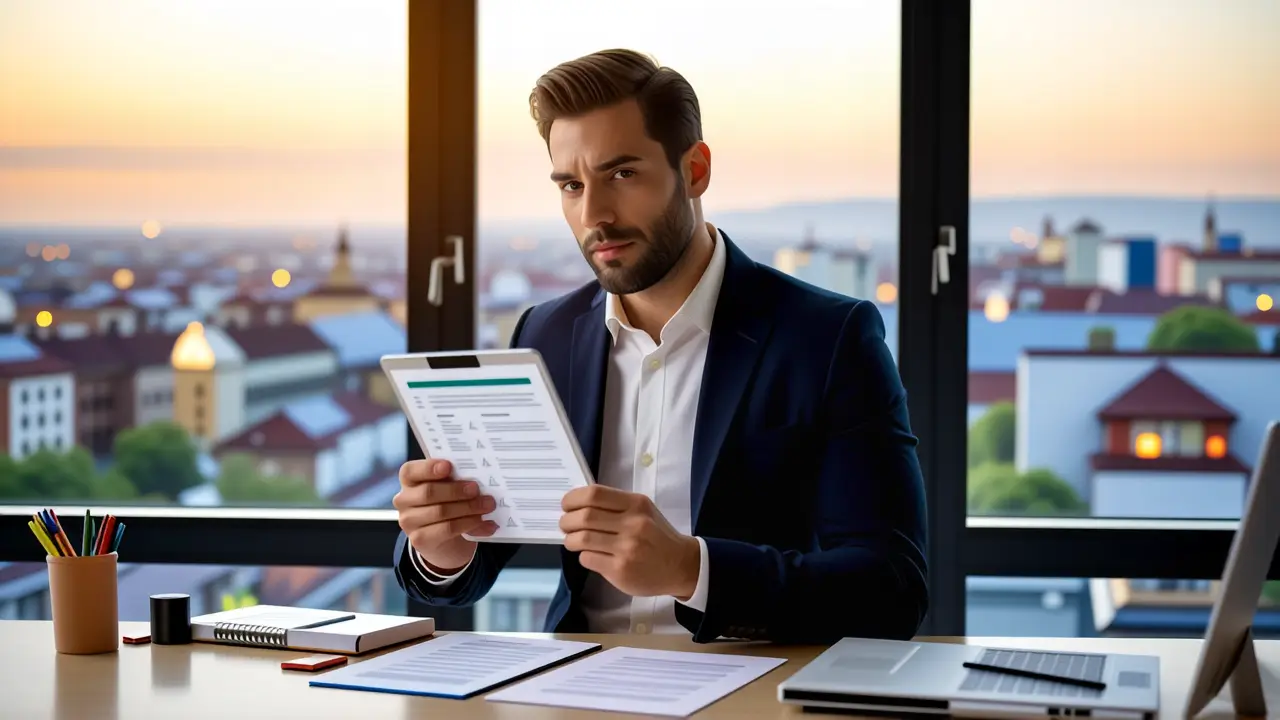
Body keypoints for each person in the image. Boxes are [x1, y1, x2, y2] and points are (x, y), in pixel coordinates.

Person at [392, 48, 927, 644]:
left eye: (621, 174)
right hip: (571, 689)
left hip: (746, 691)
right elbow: (475, 560)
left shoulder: (827, 339)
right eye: (571, 184)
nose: (593, 214)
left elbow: (893, 590)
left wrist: (690, 569)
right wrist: (443, 550)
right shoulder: (544, 335)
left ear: (694, 170)